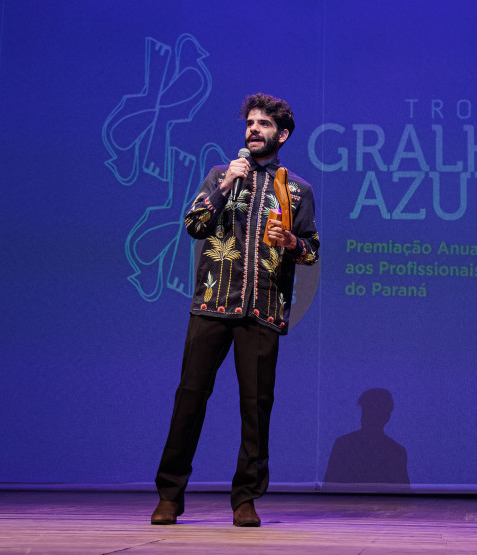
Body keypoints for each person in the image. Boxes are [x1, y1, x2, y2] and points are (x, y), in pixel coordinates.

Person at [151, 93, 320, 527]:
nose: (253, 130)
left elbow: (311, 251)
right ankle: (169, 494)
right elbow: (193, 225)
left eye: (264, 124)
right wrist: (226, 186)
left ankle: (246, 498)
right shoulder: (220, 175)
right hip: (212, 304)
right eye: (250, 123)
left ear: (282, 134)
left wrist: (291, 242)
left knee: (256, 407)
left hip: (263, 310)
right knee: (190, 398)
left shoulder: (297, 190)